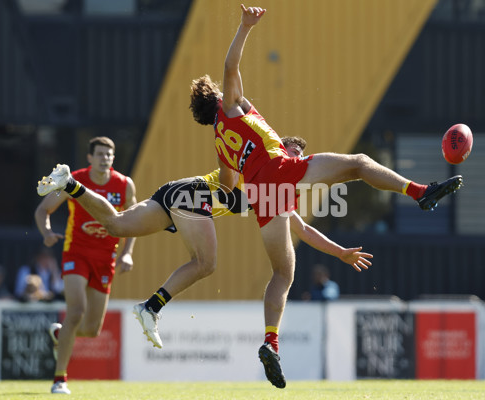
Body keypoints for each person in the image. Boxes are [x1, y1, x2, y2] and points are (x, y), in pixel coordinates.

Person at [188, 4, 464, 388]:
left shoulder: (221, 146)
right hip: (280, 171)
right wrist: (245, 27)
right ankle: (420, 192)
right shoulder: (231, 107)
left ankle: (271, 341)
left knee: (283, 273)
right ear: (217, 99)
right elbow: (231, 67)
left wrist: (340, 253)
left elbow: (232, 190)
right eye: (223, 91)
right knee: (359, 162)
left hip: (262, 197)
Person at [36, 137, 373, 379]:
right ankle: (150, 307)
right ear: (279, 150)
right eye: (292, 153)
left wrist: (341, 252)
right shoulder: (264, 170)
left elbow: (301, 229)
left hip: (176, 191)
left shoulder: (279, 189)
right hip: (194, 197)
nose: (297, 160)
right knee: (207, 263)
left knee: (116, 225)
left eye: (301, 156)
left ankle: (70, 185)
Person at [34, 136, 137, 395]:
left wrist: (127, 254)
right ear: (89, 157)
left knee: (91, 330)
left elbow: (133, 221)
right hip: (76, 254)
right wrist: (46, 232)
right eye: (100, 154)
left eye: (109, 154)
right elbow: (42, 210)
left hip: (105, 260)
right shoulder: (72, 180)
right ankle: (60, 379)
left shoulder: (124, 185)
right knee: (77, 311)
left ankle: (62, 335)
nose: (105, 158)